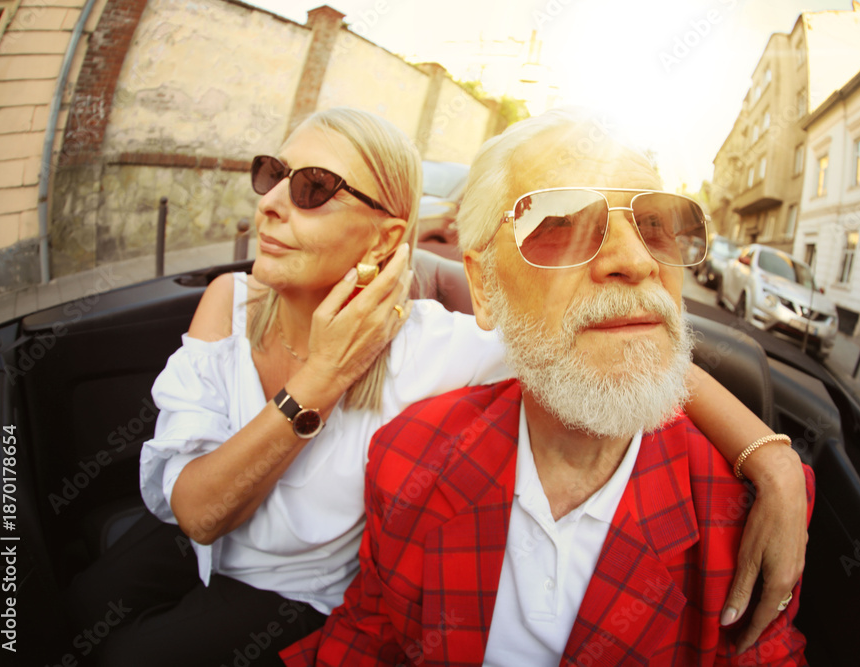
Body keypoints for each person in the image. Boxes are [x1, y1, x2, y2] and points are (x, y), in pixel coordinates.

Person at [65, 107, 806, 666]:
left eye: (313, 187)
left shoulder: (437, 351)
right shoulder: (227, 301)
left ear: (389, 237)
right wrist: (321, 378)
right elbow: (194, 511)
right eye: (271, 175)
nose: (270, 202)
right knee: (72, 607)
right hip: (202, 539)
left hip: (289, 597)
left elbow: (607, 337)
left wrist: (769, 456)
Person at [282, 108, 815, 666]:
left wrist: (774, 462)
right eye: (559, 223)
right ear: (485, 287)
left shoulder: (743, 509)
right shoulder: (407, 458)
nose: (636, 260)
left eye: (656, 224)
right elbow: (370, 639)